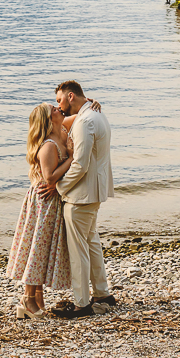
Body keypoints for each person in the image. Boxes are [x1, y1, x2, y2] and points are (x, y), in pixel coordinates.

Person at [51, 80, 115, 319]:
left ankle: (82, 303)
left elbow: (80, 164)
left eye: (59, 100)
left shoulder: (85, 120)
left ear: (70, 96)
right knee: (91, 243)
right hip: (93, 192)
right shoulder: (97, 115)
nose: (59, 105)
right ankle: (102, 293)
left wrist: (58, 187)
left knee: (78, 251)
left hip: (81, 195)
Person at [6, 103, 73, 318]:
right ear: (48, 119)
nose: (58, 109)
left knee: (42, 248)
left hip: (53, 200)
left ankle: (37, 297)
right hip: (44, 202)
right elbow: (49, 178)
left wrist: (89, 102)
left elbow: (80, 115)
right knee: (38, 248)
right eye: (54, 109)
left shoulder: (62, 129)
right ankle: (26, 299)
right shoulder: (48, 146)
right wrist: (72, 158)